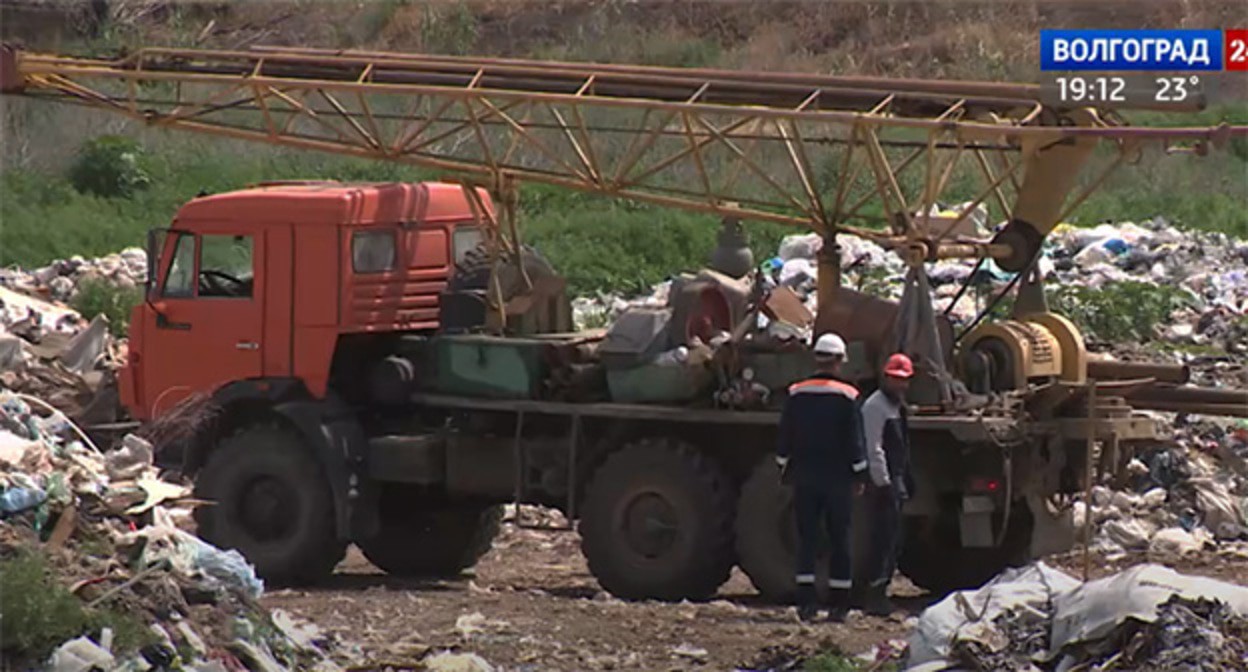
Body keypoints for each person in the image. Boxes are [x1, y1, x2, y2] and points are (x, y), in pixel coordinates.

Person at [776, 332, 869, 623]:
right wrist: (860, 472)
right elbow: (855, 441)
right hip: (837, 478)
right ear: (840, 361)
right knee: (840, 538)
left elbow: (785, 436)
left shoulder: (796, 393)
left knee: (808, 538)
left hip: (805, 476)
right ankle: (839, 605)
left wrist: (783, 465)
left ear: (815, 358)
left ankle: (806, 603)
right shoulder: (848, 396)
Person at [859, 352, 915, 616]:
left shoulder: (896, 406)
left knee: (893, 539)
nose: (900, 384)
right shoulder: (875, 406)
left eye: (903, 380)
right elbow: (873, 448)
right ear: (886, 378)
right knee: (881, 539)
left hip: (896, 479)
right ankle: (874, 595)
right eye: (895, 379)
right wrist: (883, 483)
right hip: (883, 483)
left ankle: (882, 589)